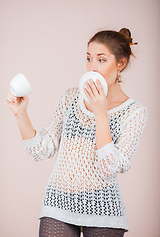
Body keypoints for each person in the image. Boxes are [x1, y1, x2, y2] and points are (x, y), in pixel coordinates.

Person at [6, 28, 148, 237]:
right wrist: (20, 114)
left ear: (121, 64)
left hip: (103, 210)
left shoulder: (135, 112)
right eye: (88, 58)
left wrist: (101, 112)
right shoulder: (70, 98)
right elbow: (41, 151)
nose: (92, 67)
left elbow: (110, 167)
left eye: (101, 60)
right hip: (58, 204)